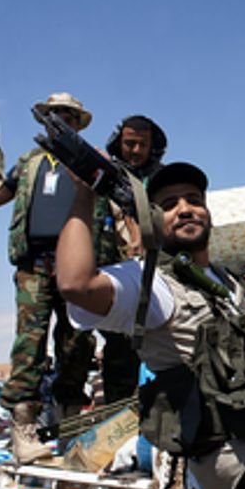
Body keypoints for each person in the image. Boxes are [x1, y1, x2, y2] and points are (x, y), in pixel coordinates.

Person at [56, 161, 245, 489]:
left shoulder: (226, 282)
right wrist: (83, 194)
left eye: (193, 200)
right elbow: (75, 284)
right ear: (150, 220)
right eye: (168, 205)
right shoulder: (151, 284)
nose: (184, 210)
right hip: (241, 464)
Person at [0, 92, 98, 463]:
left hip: (79, 262)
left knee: (77, 343)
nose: (61, 121)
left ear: (78, 123)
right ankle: (24, 429)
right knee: (30, 343)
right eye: (55, 114)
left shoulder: (91, 164)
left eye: (69, 116)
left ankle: (71, 428)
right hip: (34, 263)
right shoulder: (28, 164)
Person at [94, 115, 169, 405]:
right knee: (119, 350)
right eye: (130, 143)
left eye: (142, 144)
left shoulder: (163, 178)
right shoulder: (105, 177)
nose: (136, 150)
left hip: (160, 276)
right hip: (116, 274)